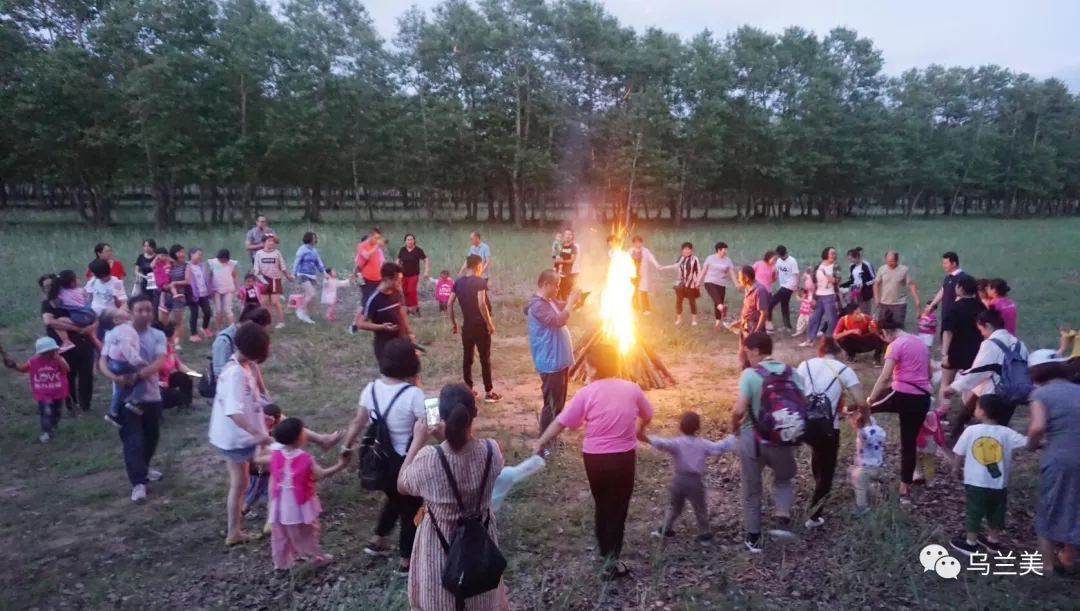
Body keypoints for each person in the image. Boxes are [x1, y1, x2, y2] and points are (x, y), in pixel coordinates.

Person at [536, 341, 653, 578]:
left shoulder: (586, 393)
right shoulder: (632, 389)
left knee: (602, 504)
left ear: (594, 367)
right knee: (618, 508)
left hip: (594, 459)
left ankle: (604, 553)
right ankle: (612, 562)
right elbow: (648, 413)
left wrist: (541, 442)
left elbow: (561, 422)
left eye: (589, 366)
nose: (587, 370)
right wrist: (640, 430)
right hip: (623, 458)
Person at [398, 383, 507, 607]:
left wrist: (418, 439)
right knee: (479, 599)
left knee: (440, 600)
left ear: (441, 416)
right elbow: (464, 461)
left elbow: (402, 484)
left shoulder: (429, 459)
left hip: (439, 548)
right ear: (474, 414)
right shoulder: (492, 451)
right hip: (479, 546)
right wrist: (446, 439)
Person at [340, 338, 427, 574]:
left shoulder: (371, 389)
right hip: (404, 461)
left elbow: (358, 421)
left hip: (378, 461)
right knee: (412, 508)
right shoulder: (414, 395)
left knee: (395, 497)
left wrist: (346, 447)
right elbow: (433, 423)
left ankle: (377, 539)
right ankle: (406, 561)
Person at [729, 332, 800, 551]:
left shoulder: (750, 375)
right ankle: (782, 521)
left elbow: (739, 409)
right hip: (783, 436)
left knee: (752, 488)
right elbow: (802, 402)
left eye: (747, 352)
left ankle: (753, 538)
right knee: (783, 479)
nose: (745, 356)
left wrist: (734, 426)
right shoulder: (792, 372)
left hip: (753, 438)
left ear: (756, 350)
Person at [97, 295, 167, 503]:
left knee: (151, 437)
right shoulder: (116, 332)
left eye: (148, 310)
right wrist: (115, 378)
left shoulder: (157, 335)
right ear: (130, 311)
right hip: (124, 396)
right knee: (132, 440)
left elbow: (159, 362)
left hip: (151, 394)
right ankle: (138, 483)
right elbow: (103, 361)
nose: (145, 314)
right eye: (140, 310)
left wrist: (138, 376)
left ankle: (143, 468)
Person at [208, 321, 273, 544]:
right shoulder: (237, 373)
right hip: (238, 439)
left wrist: (261, 417)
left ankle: (233, 532)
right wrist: (257, 433)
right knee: (277, 465)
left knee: (240, 483)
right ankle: (274, 518)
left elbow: (245, 402)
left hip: (229, 438)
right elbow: (233, 411)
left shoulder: (237, 365)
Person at [254, 417, 348, 569]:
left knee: (280, 535)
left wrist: (261, 442)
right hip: (298, 505)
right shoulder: (306, 458)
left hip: (278, 503)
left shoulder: (276, 454)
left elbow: (257, 459)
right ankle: (315, 558)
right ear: (299, 438)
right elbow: (320, 475)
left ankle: (281, 563)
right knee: (306, 533)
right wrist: (340, 465)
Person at [796, 337, 869, 527]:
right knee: (827, 470)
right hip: (828, 427)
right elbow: (862, 402)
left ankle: (815, 484)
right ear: (838, 352)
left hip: (803, 423)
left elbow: (795, 393)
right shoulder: (845, 370)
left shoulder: (805, 365)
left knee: (816, 452)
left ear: (820, 352)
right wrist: (865, 418)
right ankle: (814, 516)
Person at [949, 394, 1028, 556]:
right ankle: (993, 541)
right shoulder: (1006, 433)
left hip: (975, 481)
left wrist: (955, 469)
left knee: (974, 510)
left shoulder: (971, 430)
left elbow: (959, 452)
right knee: (996, 511)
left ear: (982, 412)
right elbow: (1027, 442)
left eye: (977, 407)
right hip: (998, 483)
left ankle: (970, 544)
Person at [866, 311, 932, 505]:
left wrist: (870, 400)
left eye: (882, 337)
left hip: (902, 394)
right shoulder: (920, 342)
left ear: (885, 332)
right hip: (922, 398)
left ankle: (843, 416)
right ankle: (904, 489)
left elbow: (884, 377)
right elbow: (928, 373)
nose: (884, 341)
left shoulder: (895, 345)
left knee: (863, 409)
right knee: (909, 442)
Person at [1025, 349, 1080, 575]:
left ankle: (1047, 565)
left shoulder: (1040, 395)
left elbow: (1038, 427)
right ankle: (1069, 557)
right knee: (1076, 504)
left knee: (1050, 505)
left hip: (1060, 457)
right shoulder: (1077, 389)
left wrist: (1031, 444)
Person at [644, 412, 736, 540]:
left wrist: (646, 438)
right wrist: (733, 437)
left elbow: (662, 443)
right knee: (700, 508)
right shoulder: (702, 443)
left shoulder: (676, 442)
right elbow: (718, 447)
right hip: (694, 481)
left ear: (681, 426)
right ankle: (705, 532)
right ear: (698, 427)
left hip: (678, 480)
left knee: (674, 507)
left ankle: (665, 529)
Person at [943, 308, 1029, 444]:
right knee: (1000, 427)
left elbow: (979, 371)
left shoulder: (990, 344)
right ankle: (995, 449)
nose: (982, 334)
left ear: (988, 326)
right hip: (1013, 392)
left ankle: (960, 443)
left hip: (992, 393)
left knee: (973, 417)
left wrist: (954, 387)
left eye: (981, 330)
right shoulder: (1020, 344)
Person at [525, 270, 578, 451]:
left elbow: (563, 306)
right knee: (552, 404)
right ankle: (544, 443)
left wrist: (577, 299)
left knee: (559, 403)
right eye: (556, 286)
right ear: (546, 284)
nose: (557, 290)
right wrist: (570, 304)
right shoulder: (538, 306)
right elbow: (558, 320)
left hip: (558, 360)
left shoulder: (549, 301)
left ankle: (552, 438)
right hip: (550, 362)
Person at [450, 255, 501, 403]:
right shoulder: (479, 281)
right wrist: (489, 323)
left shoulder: (458, 282)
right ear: (478, 266)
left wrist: (453, 323)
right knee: (485, 358)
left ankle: (469, 388)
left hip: (467, 326)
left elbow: (449, 303)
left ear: (467, 265)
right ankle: (489, 392)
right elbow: (481, 303)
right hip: (480, 326)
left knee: (468, 358)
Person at [40, 273, 94, 413]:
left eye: (51, 285)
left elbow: (91, 313)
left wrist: (88, 327)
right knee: (69, 374)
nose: (49, 288)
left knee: (86, 374)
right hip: (62, 345)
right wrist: (77, 328)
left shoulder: (71, 298)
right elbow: (49, 321)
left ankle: (86, 405)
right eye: (46, 286)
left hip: (83, 340)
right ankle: (72, 404)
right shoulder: (48, 304)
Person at [4, 337, 70, 443]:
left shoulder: (59, 360)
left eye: (51, 352)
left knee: (56, 411)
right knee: (46, 411)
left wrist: (59, 359)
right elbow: (23, 369)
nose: (48, 354)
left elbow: (67, 370)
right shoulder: (33, 362)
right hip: (43, 393)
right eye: (45, 353)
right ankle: (45, 432)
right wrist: (14, 366)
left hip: (57, 392)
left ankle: (53, 426)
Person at [938, 275, 987, 414]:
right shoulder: (981, 307)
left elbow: (948, 332)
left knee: (946, 382)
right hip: (975, 352)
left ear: (960, 288)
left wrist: (944, 353)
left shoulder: (954, 308)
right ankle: (968, 412)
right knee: (972, 383)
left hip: (954, 351)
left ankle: (943, 412)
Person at [350, 262, 413, 363]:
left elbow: (401, 313)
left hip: (400, 343)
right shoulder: (373, 299)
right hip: (384, 347)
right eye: (398, 280)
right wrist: (383, 327)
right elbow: (361, 323)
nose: (400, 283)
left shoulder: (397, 293)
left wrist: (409, 333)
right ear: (387, 279)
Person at [101, 308, 146, 428]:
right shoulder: (124, 329)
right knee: (142, 377)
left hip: (113, 363)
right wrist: (137, 361)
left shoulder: (111, 330)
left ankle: (113, 413)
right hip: (125, 362)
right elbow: (126, 347)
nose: (121, 308)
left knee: (119, 388)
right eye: (117, 310)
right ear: (116, 320)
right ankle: (134, 401)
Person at [49, 269, 101, 351]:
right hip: (90, 314)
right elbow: (87, 299)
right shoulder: (81, 290)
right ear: (72, 282)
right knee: (94, 337)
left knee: (59, 321)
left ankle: (66, 341)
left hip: (79, 317)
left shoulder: (60, 294)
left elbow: (55, 305)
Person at [801, 247, 841, 347]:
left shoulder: (835, 266)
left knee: (831, 320)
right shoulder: (818, 265)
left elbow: (836, 281)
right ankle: (810, 339)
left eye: (835, 253)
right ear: (826, 254)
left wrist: (826, 274)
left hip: (830, 296)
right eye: (832, 253)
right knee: (813, 318)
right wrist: (813, 297)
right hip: (818, 295)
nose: (834, 255)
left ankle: (832, 342)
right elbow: (814, 282)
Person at [923, 251, 970, 335]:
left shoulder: (962, 278)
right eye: (943, 263)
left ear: (954, 264)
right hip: (946, 315)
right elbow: (942, 291)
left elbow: (964, 297)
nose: (943, 266)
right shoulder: (947, 278)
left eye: (946, 263)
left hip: (957, 317)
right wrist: (932, 305)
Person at [849, 414, 886, 517]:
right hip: (877, 466)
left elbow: (864, 437)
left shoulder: (865, 432)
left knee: (860, 486)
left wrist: (860, 428)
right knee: (856, 476)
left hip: (865, 468)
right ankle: (875, 493)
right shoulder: (880, 431)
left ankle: (862, 508)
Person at [733, 265, 770, 370]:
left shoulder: (759, 291)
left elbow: (763, 314)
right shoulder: (748, 289)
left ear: (746, 278)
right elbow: (749, 310)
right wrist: (739, 322)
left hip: (753, 326)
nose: (738, 279)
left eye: (740, 276)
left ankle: (756, 373)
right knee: (742, 352)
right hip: (745, 325)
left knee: (753, 354)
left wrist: (756, 333)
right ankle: (746, 371)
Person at [155, 322, 197, 410]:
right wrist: (158, 383)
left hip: (166, 381)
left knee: (185, 377)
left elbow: (179, 365)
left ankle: (187, 405)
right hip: (157, 385)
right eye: (175, 335)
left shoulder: (169, 348)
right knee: (177, 396)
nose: (176, 337)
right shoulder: (156, 351)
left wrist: (192, 373)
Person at [255, 235, 293, 329]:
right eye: (269, 241)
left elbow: (283, 267)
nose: (271, 243)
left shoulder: (277, 253)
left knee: (275, 302)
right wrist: (256, 274)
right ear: (264, 242)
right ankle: (267, 322)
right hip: (263, 280)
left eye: (272, 241)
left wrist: (288, 276)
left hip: (275, 279)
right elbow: (256, 268)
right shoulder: (259, 253)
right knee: (266, 302)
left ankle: (281, 322)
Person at [874, 251, 920, 329]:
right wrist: (876, 298)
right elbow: (876, 284)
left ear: (897, 260)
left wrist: (917, 300)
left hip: (899, 304)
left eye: (892, 261)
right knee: (882, 327)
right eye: (888, 261)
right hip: (884, 303)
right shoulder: (882, 269)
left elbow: (911, 285)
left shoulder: (904, 270)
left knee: (898, 327)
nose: (890, 263)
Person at [701, 241, 738, 329]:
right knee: (717, 299)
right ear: (719, 250)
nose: (725, 251)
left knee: (718, 302)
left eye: (726, 250)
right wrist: (698, 281)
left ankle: (717, 323)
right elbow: (704, 270)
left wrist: (737, 284)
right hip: (709, 282)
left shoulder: (728, 260)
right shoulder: (710, 258)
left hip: (721, 284)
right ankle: (722, 308)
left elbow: (731, 273)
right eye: (724, 250)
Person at [664, 242, 701, 327]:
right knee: (679, 301)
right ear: (682, 250)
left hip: (691, 284)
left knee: (692, 302)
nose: (687, 251)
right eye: (685, 249)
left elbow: (699, 271)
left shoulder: (695, 259)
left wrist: (698, 282)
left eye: (688, 249)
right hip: (680, 284)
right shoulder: (681, 258)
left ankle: (694, 320)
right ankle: (679, 319)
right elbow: (675, 266)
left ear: (691, 250)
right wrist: (663, 268)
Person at [292, 232, 326, 324]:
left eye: (315, 238)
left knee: (310, 296)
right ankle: (300, 309)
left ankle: (306, 315)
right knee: (312, 294)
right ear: (309, 239)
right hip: (303, 274)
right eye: (313, 238)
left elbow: (318, 262)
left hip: (312, 275)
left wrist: (324, 272)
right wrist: (293, 274)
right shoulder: (302, 249)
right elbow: (296, 262)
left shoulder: (314, 251)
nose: (315, 239)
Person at [165, 244, 192, 348]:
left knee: (178, 320)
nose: (182, 254)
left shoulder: (186, 265)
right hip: (167, 294)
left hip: (180, 295)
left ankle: (177, 343)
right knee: (165, 320)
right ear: (174, 253)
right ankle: (167, 340)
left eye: (183, 252)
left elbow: (187, 281)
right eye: (180, 252)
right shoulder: (168, 264)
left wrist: (175, 283)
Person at [628, 235, 663, 315]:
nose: (638, 244)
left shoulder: (645, 251)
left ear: (641, 243)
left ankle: (646, 309)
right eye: (636, 242)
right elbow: (624, 260)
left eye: (639, 242)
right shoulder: (630, 251)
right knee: (633, 291)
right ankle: (635, 307)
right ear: (633, 243)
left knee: (643, 291)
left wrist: (657, 265)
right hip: (633, 275)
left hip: (643, 275)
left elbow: (651, 258)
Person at [397, 233, 429, 316]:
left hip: (414, 275)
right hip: (403, 275)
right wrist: (396, 270)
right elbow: (398, 260)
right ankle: (409, 308)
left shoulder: (418, 250)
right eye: (408, 240)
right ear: (405, 241)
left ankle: (415, 307)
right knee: (405, 292)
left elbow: (426, 260)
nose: (410, 241)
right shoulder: (402, 250)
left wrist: (426, 271)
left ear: (414, 241)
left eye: (412, 239)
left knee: (411, 290)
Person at [352, 228, 386, 307]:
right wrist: (353, 274)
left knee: (375, 298)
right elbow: (365, 257)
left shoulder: (377, 249)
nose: (377, 240)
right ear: (370, 236)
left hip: (377, 278)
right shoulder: (361, 246)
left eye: (379, 238)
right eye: (376, 238)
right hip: (363, 277)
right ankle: (363, 312)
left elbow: (381, 263)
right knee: (366, 297)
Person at [187, 247, 213, 342]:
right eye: (199, 254)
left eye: (201, 255)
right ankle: (193, 334)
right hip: (193, 294)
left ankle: (205, 327)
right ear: (192, 254)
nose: (200, 257)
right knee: (194, 314)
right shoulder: (187, 266)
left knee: (208, 312)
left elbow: (212, 271)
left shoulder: (202, 266)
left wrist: (219, 268)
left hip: (204, 293)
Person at [209, 249, 238, 331]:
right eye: (221, 259)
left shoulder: (231, 264)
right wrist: (209, 288)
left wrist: (238, 288)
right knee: (217, 310)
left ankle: (232, 330)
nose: (222, 261)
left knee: (227, 309)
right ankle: (218, 329)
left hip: (228, 289)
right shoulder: (215, 264)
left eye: (224, 260)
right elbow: (212, 275)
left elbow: (235, 276)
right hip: (216, 289)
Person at [771, 245, 799, 332]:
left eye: (783, 256)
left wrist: (795, 286)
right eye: (780, 256)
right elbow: (776, 270)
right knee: (784, 304)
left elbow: (796, 274)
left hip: (789, 285)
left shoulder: (792, 261)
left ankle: (768, 323)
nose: (782, 258)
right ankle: (788, 326)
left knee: (771, 303)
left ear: (786, 253)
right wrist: (774, 277)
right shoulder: (779, 260)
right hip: (783, 285)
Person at [841, 247, 875, 314]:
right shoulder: (852, 266)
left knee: (864, 312)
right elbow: (851, 280)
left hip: (864, 293)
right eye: (849, 259)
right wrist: (842, 286)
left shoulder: (866, 265)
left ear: (856, 257)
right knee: (854, 311)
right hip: (854, 292)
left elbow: (873, 279)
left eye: (851, 259)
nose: (851, 261)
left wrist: (864, 284)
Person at [554, 229, 580, 301]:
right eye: (566, 234)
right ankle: (556, 306)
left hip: (566, 273)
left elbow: (572, 260)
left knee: (564, 292)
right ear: (564, 236)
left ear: (572, 236)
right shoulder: (560, 245)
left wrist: (563, 261)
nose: (568, 236)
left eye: (570, 234)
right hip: (557, 273)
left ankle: (565, 305)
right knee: (556, 292)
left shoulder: (573, 247)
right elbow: (555, 257)